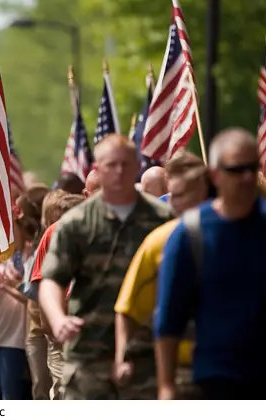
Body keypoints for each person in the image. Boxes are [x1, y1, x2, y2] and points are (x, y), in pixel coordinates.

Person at [39, 134, 172, 400]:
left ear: (137, 167)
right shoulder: (75, 224)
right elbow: (51, 281)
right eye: (111, 164)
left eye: (126, 164)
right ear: (98, 168)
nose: (119, 171)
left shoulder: (163, 220)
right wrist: (58, 318)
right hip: (89, 354)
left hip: (144, 354)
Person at [155, 128, 266, 400]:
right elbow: (169, 318)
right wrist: (166, 386)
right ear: (215, 175)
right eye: (237, 170)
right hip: (216, 380)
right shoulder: (190, 233)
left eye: (253, 168)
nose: (248, 177)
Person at [114, 151, 209, 399]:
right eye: (173, 196)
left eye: (184, 195)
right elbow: (128, 308)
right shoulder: (158, 242)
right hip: (179, 371)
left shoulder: (234, 234)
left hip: (230, 368)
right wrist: (121, 356)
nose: (176, 204)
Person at [0, 190, 43, 400]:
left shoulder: (31, 255)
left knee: (10, 398)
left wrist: (8, 287)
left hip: (15, 340)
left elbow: (32, 298)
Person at [25, 191, 85, 400]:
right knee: (62, 391)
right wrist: (49, 328)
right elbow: (42, 284)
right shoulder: (52, 234)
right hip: (60, 333)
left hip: (91, 336)